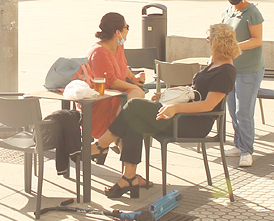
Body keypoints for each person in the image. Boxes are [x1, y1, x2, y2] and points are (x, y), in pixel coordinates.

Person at [101, 23, 238, 198]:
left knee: (135, 106)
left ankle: (101, 145)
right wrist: (167, 98)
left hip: (193, 124)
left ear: (218, 43)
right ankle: (129, 177)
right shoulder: (213, 63)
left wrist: (175, 108)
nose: (207, 41)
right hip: (183, 116)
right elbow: (194, 94)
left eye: (209, 39)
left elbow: (208, 105)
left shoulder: (226, 71)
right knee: (134, 120)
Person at [80, 12, 148, 156]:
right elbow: (111, 82)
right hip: (100, 104)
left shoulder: (118, 47)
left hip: (117, 100)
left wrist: (133, 77)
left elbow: (123, 66)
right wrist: (135, 87)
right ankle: (106, 142)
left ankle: (126, 173)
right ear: (118, 32)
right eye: (126, 27)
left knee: (132, 121)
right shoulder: (99, 52)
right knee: (136, 100)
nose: (128, 30)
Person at [222, 0, 265, 167]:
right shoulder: (228, 11)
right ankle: (238, 144)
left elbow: (257, 40)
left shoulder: (252, 12)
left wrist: (235, 48)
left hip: (249, 68)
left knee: (243, 110)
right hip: (230, 68)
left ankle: (247, 150)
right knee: (232, 108)